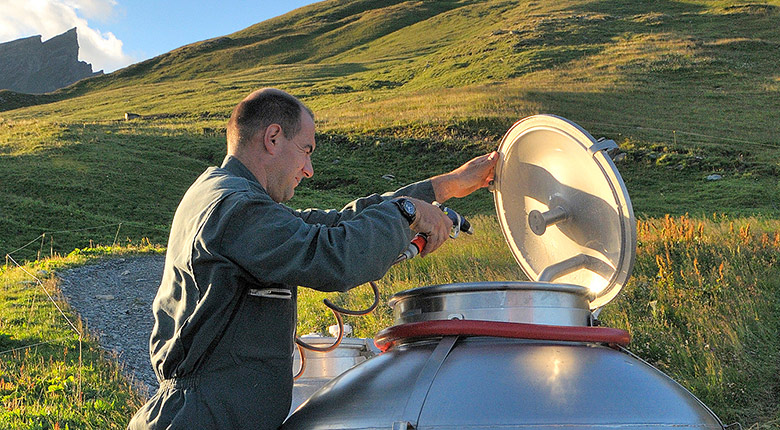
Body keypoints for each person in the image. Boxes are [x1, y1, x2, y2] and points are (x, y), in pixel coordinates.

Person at [127, 88, 497, 430]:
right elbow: (336, 256)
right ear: (273, 138)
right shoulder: (234, 208)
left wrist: (447, 185)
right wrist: (405, 213)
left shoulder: (239, 199)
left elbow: (338, 222)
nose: (309, 169)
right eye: (306, 150)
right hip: (202, 419)